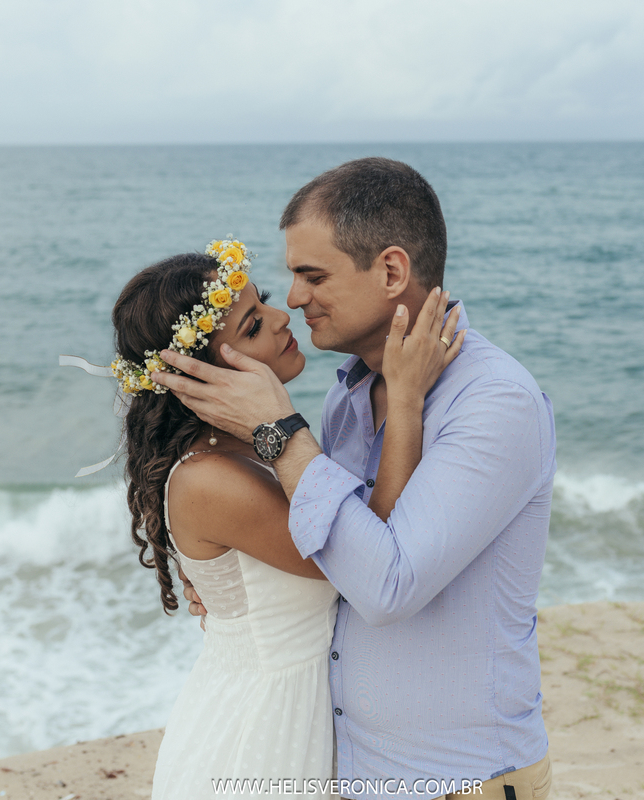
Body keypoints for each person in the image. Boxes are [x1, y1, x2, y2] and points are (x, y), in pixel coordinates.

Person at [152, 158, 557, 800]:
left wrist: (279, 434)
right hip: (344, 771)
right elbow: (340, 544)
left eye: (312, 275)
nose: (292, 298)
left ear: (391, 271)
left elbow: (387, 582)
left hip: (453, 780)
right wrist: (232, 588)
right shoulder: (346, 396)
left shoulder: (494, 402)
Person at [88, 239, 462, 800]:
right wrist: (406, 398)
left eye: (260, 301)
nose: (282, 315)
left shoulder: (252, 450)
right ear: (207, 371)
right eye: (252, 325)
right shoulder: (213, 477)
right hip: (256, 736)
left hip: (297, 716)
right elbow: (373, 549)